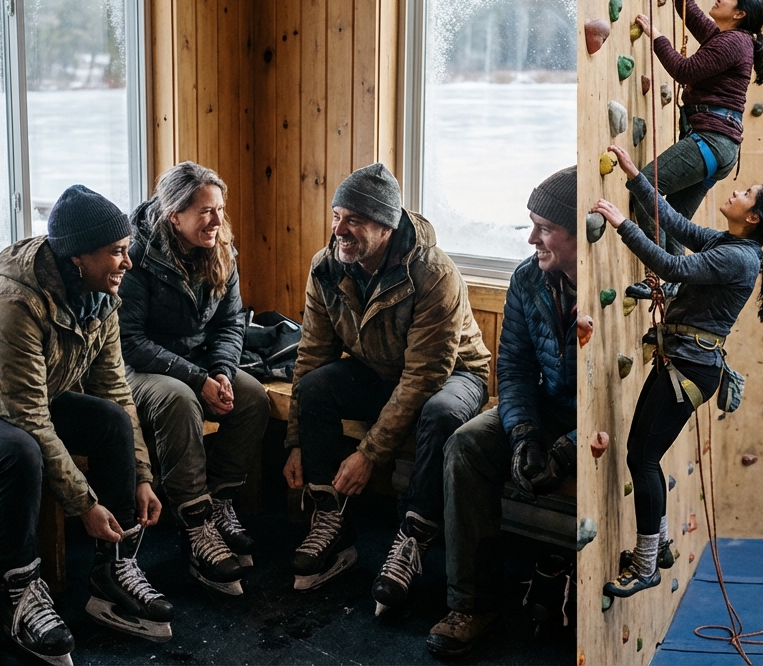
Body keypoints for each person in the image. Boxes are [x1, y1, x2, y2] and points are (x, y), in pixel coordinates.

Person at [0, 185, 172, 664]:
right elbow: (27, 420)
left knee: (109, 419)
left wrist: (143, 476)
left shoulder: (101, 298)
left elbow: (115, 391)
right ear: (77, 259)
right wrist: (85, 505)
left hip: (12, 409)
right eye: (116, 252)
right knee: (18, 449)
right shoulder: (13, 304)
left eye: (126, 250)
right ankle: (19, 595)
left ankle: (114, 569)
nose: (127, 263)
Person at [280, 163, 491, 615]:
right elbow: (312, 353)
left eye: (353, 219)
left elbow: (425, 377)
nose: (340, 229)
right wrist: (295, 439)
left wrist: (369, 454)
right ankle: (331, 522)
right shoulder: (327, 268)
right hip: (379, 369)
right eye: (337, 215)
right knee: (317, 386)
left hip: (456, 374)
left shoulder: (434, 273)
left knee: (441, 414)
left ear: (386, 225)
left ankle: (411, 539)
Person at [589, 144, 763, 598]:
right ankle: (656, 547)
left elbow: (671, 264)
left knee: (641, 458)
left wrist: (622, 224)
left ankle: (645, 565)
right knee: (645, 456)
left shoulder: (737, 258)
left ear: (753, 217)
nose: (736, 190)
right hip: (685, 363)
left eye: (745, 192)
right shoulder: (732, 244)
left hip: (688, 367)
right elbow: (676, 225)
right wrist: (635, 176)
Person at [427, 167, 583, 657]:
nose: (532, 237)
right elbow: (513, 366)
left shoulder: (625, 292)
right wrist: (523, 435)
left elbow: (633, 400)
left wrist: (567, 452)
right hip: (550, 407)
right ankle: (473, 605)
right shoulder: (527, 278)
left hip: (606, 423)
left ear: (581, 234)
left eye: (545, 227)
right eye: (530, 223)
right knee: (465, 445)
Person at [118, 162, 270, 596]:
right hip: (141, 367)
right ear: (174, 216)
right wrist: (197, 377)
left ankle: (220, 500)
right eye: (205, 212)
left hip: (201, 361)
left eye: (219, 209)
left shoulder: (220, 248)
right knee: (178, 400)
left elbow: (230, 324)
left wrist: (221, 371)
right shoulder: (138, 257)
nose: (217, 221)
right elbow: (129, 340)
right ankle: (195, 523)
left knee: (252, 396)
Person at [626, 0, 763, 284]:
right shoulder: (731, 38)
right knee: (674, 224)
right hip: (718, 148)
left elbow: (684, 70)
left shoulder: (734, 42)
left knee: (646, 187)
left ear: (739, 14)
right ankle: (676, 289)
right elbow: (689, 10)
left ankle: (659, 276)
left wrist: (657, 35)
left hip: (710, 142)